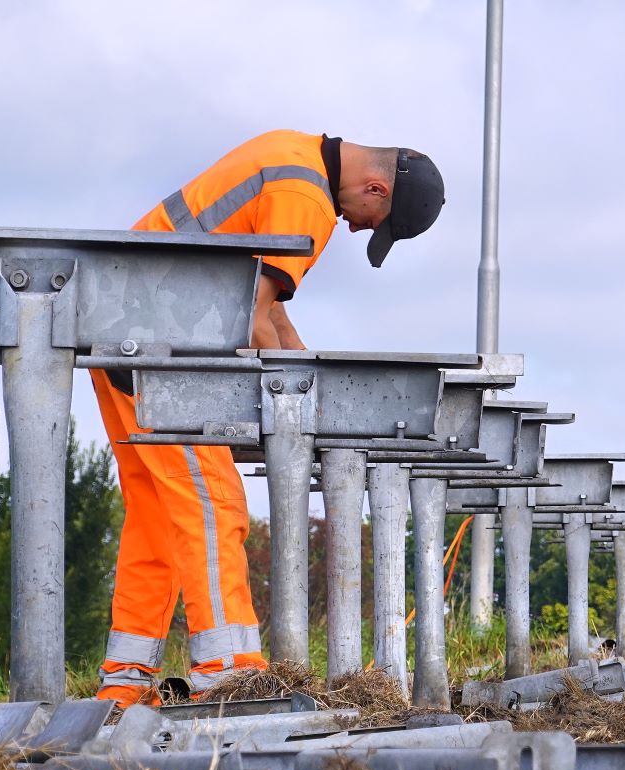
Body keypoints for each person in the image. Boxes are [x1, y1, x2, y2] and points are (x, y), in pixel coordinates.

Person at [94, 131, 446, 706]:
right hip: (159, 346)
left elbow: (270, 314)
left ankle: (124, 683)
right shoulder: (307, 199)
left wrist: (311, 391)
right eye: (371, 221)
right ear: (375, 188)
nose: (359, 229)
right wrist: (293, 402)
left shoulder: (291, 154)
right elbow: (256, 321)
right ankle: (229, 669)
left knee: (158, 513)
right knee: (215, 501)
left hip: (119, 325)